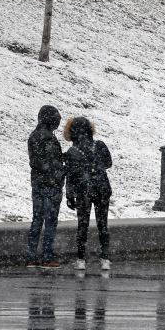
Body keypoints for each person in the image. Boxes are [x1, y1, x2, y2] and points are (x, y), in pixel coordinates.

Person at [63, 117, 113, 273]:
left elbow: (70, 176)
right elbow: (108, 163)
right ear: (90, 130)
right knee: (102, 224)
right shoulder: (99, 145)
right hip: (101, 188)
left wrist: (70, 196)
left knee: (82, 225)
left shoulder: (72, 152)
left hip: (83, 190)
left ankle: (81, 259)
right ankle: (105, 259)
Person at [27, 105, 65, 267]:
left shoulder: (34, 136)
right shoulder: (48, 137)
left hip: (37, 183)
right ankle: (47, 256)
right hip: (50, 185)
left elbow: (38, 162)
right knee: (50, 220)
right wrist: (63, 170)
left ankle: (31, 256)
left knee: (37, 219)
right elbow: (51, 164)